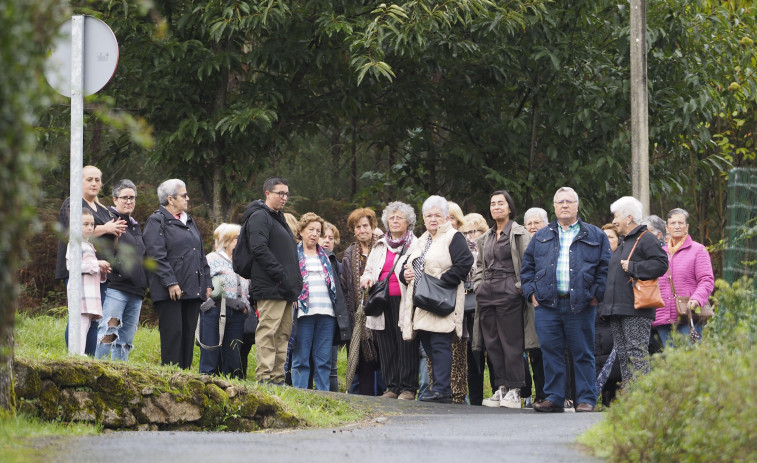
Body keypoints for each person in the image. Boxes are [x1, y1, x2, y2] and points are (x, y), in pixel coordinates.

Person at [520, 187, 612, 413]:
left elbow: (605, 268)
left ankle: (586, 399)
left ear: (577, 206)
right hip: (547, 305)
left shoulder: (595, 235)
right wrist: (531, 293)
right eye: (560, 202)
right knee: (551, 352)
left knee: (583, 352)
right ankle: (555, 397)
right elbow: (527, 267)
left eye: (569, 202)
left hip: (581, 304)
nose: (564, 205)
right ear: (554, 207)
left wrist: (596, 295)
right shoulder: (541, 235)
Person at [399, 195, 473, 404]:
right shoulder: (421, 240)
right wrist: (404, 276)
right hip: (421, 302)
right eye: (429, 215)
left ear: (446, 217)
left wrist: (441, 281)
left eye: (437, 215)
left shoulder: (453, 236)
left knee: (440, 343)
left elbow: (465, 262)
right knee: (427, 344)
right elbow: (406, 265)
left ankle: (442, 390)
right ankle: (439, 387)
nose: (433, 219)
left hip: (441, 299)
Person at [56, 165, 125, 355]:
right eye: (89, 179)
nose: (94, 183)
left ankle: (89, 360)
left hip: (99, 273)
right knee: (79, 316)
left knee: (95, 318)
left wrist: (116, 232)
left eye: (97, 179)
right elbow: (73, 233)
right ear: (79, 181)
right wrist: (107, 228)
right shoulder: (73, 203)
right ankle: (74, 358)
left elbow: (110, 237)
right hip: (79, 270)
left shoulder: (102, 208)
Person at [144, 179, 212, 369]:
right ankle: (171, 380)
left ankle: (186, 380)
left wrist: (207, 283)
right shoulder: (156, 220)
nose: (188, 198)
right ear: (170, 199)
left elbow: (200, 254)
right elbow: (156, 255)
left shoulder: (189, 220)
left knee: (188, 336)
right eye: (184, 195)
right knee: (174, 336)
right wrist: (171, 282)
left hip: (192, 290)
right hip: (170, 292)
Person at [599, 196, 668, 385]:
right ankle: (631, 399)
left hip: (636, 308)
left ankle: (643, 399)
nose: (613, 221)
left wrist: (634, 267)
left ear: (628, 218)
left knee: (637, 353)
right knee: (623, 355)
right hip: (618, 309)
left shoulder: (646, 238)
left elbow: (662, 264)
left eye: (616, 216)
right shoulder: (624, 241)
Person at [239, 177, 302, 384]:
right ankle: (264, 377)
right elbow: (259, 249)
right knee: (268, 331)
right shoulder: (259, 216)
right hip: (269, 286)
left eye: (286, 194)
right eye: (280, 193)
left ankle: (277, 377)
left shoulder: (278, 218)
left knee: (283, 334)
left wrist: (293, 283)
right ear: (267, 193)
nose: (284, 198)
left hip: (285, 289)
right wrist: (281, 274)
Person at [473, 190, 530, 408]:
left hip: (509, 291)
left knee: (511, 342)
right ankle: (501, 387)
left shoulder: (519, 233)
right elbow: (479, 265)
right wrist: (479, 286)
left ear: (509, 208)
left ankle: (515, 389)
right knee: (492, 343)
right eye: (493, 203)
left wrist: (518, 288)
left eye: (501, 203)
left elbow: (528, 262)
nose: (496, 207)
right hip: (487, 292)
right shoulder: (486, 236)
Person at [360, 202, 419, 400]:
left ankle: (408, 388)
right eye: (391, 218)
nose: (394, 221)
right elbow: (369, 270)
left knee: (406, 344)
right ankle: (392, 387)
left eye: (399, 217)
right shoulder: (379, 244)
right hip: (381, 301)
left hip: (405, 301)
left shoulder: (415, 244)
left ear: (408, 222)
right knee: (386, 346)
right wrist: (366, 278)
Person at [291, 213, 350, 390]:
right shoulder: (293, 254)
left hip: (327, 314)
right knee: (301, 359)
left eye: (318, 231)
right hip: (304, 313)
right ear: (301, 231)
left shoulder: (328, 256)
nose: (315, 234)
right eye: (311, 230)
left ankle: (324, 397)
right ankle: (300, 396)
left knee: (324, 360)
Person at [95, 179, 148, 361]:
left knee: (126, 339)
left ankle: (120, 374)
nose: (129, 201)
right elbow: (104, 252)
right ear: (115, 199)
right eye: (124, 197)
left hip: (136, 291)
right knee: (109, 331)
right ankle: (98, 369)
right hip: (116, 288)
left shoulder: (135, 226)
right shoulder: (109, 220)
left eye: (132, 197)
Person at [654, 208, 714, 347]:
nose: (676, 226)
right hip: (663, 317)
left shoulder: (698, 250)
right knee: (671, 362)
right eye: (672, 223)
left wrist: (697, 299)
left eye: (680, 223)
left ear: (687, 227)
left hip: (688, 314)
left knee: (689, 361)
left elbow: (707, 280)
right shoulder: (659, 253)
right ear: (666, 228)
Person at [198, 223, 251, 378]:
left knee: (233, 354)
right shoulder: (212, 258)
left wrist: (246, 307)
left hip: (238, 312)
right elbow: (202, 282)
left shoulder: (243, 261)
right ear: (226, 241)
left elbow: (248, 286)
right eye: (237, 238)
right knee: (210, 350)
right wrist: (207, 304)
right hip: (215, 310)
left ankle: (232, 386)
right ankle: (206, 383)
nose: (240, 241)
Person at [341, 208, 384, 396]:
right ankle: (366, 401)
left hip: (382, 311)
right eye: (358, 227)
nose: (362, 230)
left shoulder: (383, 247)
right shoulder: (349, 254)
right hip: (359, 316)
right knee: (363, 361)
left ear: (373, 226)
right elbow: (345, 288)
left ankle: (388, 398)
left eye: (365, 225)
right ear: (353, 230)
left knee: (384, 355)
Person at [461, 213, 495, 406]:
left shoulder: (489, 247)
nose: (468, 236)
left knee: (492, 353)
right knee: (472, 357)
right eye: (464, 232)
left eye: (472, 231)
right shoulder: (459, 251)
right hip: (467, 312)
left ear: (483, 232)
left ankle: (498, 392)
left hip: (488, 307)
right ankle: (475, 401)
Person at [67, 209, 108, 355]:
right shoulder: (74, 243)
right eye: (85, 224)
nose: (90, 227)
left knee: (88, 325)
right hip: (81, 294)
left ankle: (81, 354)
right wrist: (97, 264)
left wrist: (101, 271)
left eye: (92, 224)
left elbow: (91, 269)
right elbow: (72, 266)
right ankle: (76, 355)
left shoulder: (89, 246)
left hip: (91, 294)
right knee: (80, 325)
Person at [519, 207, 549, 407]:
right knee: (533, 352)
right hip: (525, 302)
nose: (532, 226)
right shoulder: (522, 245)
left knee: (547, 350)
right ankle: (537, 395)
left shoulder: (549, 242)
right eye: (528, 223)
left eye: (536, 222)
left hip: (546, 303)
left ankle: (552, 394)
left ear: (546, 224)